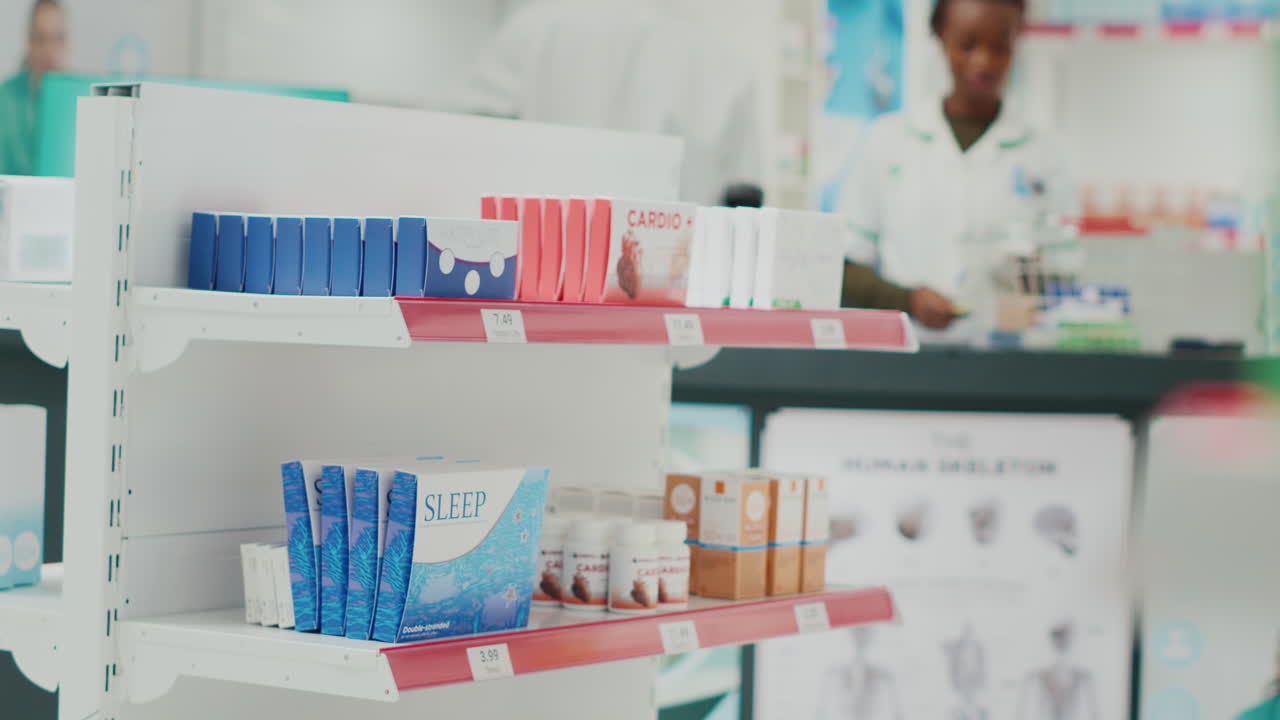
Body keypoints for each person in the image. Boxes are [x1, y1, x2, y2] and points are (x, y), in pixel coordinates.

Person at [840, 0, 1071, 338]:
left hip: (1006, 359)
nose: (983, 61)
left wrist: (1019, 298)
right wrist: (907, 299)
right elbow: (845, 264)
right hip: (907, 354)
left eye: (1000, 48)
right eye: (967, 45)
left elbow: (1064, 267)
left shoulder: (1042, 154)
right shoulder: (887, 141)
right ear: (940, 37)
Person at [458, 0, 761, 207]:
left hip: (545, 265)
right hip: (676, 271)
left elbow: (464, 143)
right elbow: (744, 195)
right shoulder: (725, 53)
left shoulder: (533, 27)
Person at [0, 0, 67, 176]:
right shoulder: (6, 99)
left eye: (57, 38)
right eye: (41, 39)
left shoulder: (79, 101)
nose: (49, 50)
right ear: (29, 42)